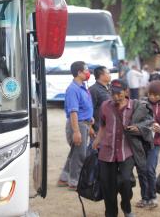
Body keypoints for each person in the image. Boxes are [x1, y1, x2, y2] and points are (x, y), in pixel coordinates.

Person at [92, 79, 154, 217]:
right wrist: (97, 140)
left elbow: (148, 123)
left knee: (126, 181)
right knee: (108, 186)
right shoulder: (105, 106)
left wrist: (138, 128)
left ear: (126, 91)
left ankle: (126, 207)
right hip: (107, 152)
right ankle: (111, 213)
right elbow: (103, 125)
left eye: (119, 93)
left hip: (127, 151)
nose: (116, 97)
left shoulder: (136, 106)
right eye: (113, 93)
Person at [136, 80, 160, 209]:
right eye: (151, 94)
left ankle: (152, 197)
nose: (154, 97)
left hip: (155, 143)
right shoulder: (142, 103)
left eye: (157, 95)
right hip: (140, 142)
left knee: (150, 169)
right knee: (141, 170)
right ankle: (144, 197)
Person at [57, 61, 94, 190]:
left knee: (75, 152)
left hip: (84, 123)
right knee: (80, 154)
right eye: (86, 71)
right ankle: (74, 182)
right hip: (78, 124)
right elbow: (73, 112)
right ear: (79, 72)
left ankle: (64, 178)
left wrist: (90, 117)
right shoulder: (73, 89)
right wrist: (76, 131)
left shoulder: (83, 86)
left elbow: (84, 106)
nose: (88, 73)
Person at [88, 66, 111, 139]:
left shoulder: (109, 88)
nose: (110, 75)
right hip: (98, 128)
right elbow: (89, 109)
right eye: (108, 73)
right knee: (96, 149)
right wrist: (90, 127)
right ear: (101, 76)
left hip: (109, 126)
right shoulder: (93, 90)